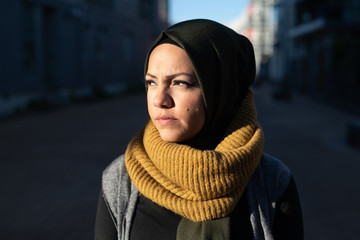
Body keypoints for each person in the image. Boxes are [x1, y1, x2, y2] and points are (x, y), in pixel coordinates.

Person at [94, 19, 303, 240]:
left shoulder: (273, 182)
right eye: (151, 82)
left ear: (221, 90)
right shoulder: (120, 180)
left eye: (180, 83)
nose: (159, 100)